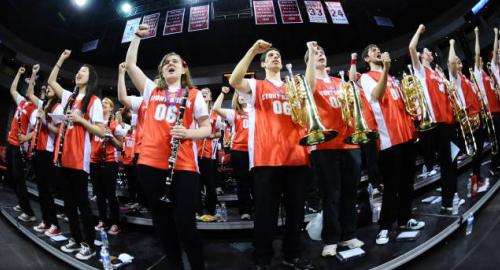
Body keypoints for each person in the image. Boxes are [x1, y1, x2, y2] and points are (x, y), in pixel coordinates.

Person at [125, 24, 211, 270]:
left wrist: (188, 132)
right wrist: (137, 37)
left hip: (183, 166)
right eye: (166, 62)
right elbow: (131, 65)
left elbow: (207, 129)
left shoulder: (193, 94)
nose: (170, 64)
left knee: (185, 224)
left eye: (175, 61)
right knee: (162, 224)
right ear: (162, 70)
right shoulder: (153, 90)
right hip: (150, 164)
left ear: (184, 68)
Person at [229, 39, 313, 270]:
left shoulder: (294, 86)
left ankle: (292, 253)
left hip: (297, 156)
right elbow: (235, 80)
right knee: (266, 213)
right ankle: (262, 257)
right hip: (266, 158)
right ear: (264, 64)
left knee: (296, 212)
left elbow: (306, 115)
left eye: (278, 55)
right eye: (271, 56)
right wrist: (253, 50)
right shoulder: (256, 86)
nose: (276, 57)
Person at [360, 44, 425, 245]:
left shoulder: (395, 79)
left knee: (407, 181)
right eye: (372, 50)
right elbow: (376, 97)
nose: (377, 51)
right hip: (388, 138)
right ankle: (385, 226)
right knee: (391, 185)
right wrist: (386, 69)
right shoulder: (366, 77)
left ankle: (405, 219)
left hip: (406, 134)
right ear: (366, 59)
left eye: (379, 49)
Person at [304, 42, 364, 257]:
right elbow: (308, 87)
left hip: (350, 142)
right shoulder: (308, 81)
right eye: (316, 54)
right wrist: (311, 52)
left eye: (322, 52)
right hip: (325, 145)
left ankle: (348, 234)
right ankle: (331, 238)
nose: (320, 55)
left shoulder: (340, 82)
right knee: (331, 195)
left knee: (350, 192)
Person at [48, 49, 105, 260]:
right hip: (62, 156)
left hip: (79, 158)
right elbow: (52, 80)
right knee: (69, 204)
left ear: (91, 77)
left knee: (82, 204)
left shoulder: (94, 101)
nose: (79, 73)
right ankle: (74, 238)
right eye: (78, 71)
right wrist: (61, 59)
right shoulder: (69, 97)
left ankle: (88, 243)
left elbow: (101, 131)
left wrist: (81, 120)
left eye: (83, 71)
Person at [409, 24, 459, 212]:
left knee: (452, 160)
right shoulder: (420, 71)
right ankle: (447, 202)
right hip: (438, 123)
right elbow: (411, 48)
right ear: (423, 56)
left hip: (449, 120)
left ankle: (452, 195)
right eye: (428, 51)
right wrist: (419, 31)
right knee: (447, 162)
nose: (430, 53)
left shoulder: (437, 73)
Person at [25, 64, 63, 236]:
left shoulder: (58, 107)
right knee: (41, 189)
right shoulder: (44, 105)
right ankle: (46, 221)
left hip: (48, 152)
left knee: (47, 191)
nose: (47, 89)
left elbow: (58, 131)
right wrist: (33, 75)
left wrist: (45, 121)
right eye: (46, 87)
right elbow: (29, 94)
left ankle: (54, 225)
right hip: (38, 150)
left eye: (50, 88)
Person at [212, 86, 253, 220]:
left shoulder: (256, 111)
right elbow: (216, 108)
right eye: (238, 94)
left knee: (257, 183)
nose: (241, 95)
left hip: (256, 151)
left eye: (244, 93)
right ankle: (245, 211)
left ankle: (259, 209)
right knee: (242, 183)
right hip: (239, 151)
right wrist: (223, 93)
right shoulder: (233, 112)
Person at [90, 97, 125, 235]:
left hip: (110, 161)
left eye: (106, 103)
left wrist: (111, 137)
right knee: (98, 193)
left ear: (111, 108)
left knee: (110, 193)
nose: (103, 105)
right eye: (102, 103)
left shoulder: (115, 124)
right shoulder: (94, 122)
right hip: (94, 160)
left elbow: (120, 146)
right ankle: (102, 220)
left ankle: (116, 222)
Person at [6, 66, 37, 222]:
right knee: (11, 177)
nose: (26, 87)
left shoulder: (33, 109)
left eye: (29, 85)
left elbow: (37, 130)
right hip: (10, 145)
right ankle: (21, 203)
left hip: (19, 147)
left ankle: (29, 213)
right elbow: (12, 90)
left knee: (19, 179)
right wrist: (18, 73)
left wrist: (26, 138)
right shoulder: (22, 102)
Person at [474, 27, 500, 179]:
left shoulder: (487, 74)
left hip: (497, 109)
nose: (481, 61)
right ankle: (492, 167)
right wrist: (477, 34)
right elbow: (477, 54)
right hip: (491, 112)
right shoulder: (478, 73)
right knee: (496, 140)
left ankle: (496, 164)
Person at [197, 87, 222, 222]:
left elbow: (219, 133)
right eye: (202, 93)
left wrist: (211, 134)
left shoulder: (214, 114)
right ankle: (197, 209)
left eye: (207, 93)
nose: (204, 94)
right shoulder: (195, 113)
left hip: (208, 152)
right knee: (196, 182)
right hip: (194, 152)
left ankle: (212, 209)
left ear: (210, 97)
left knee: (209, 183)